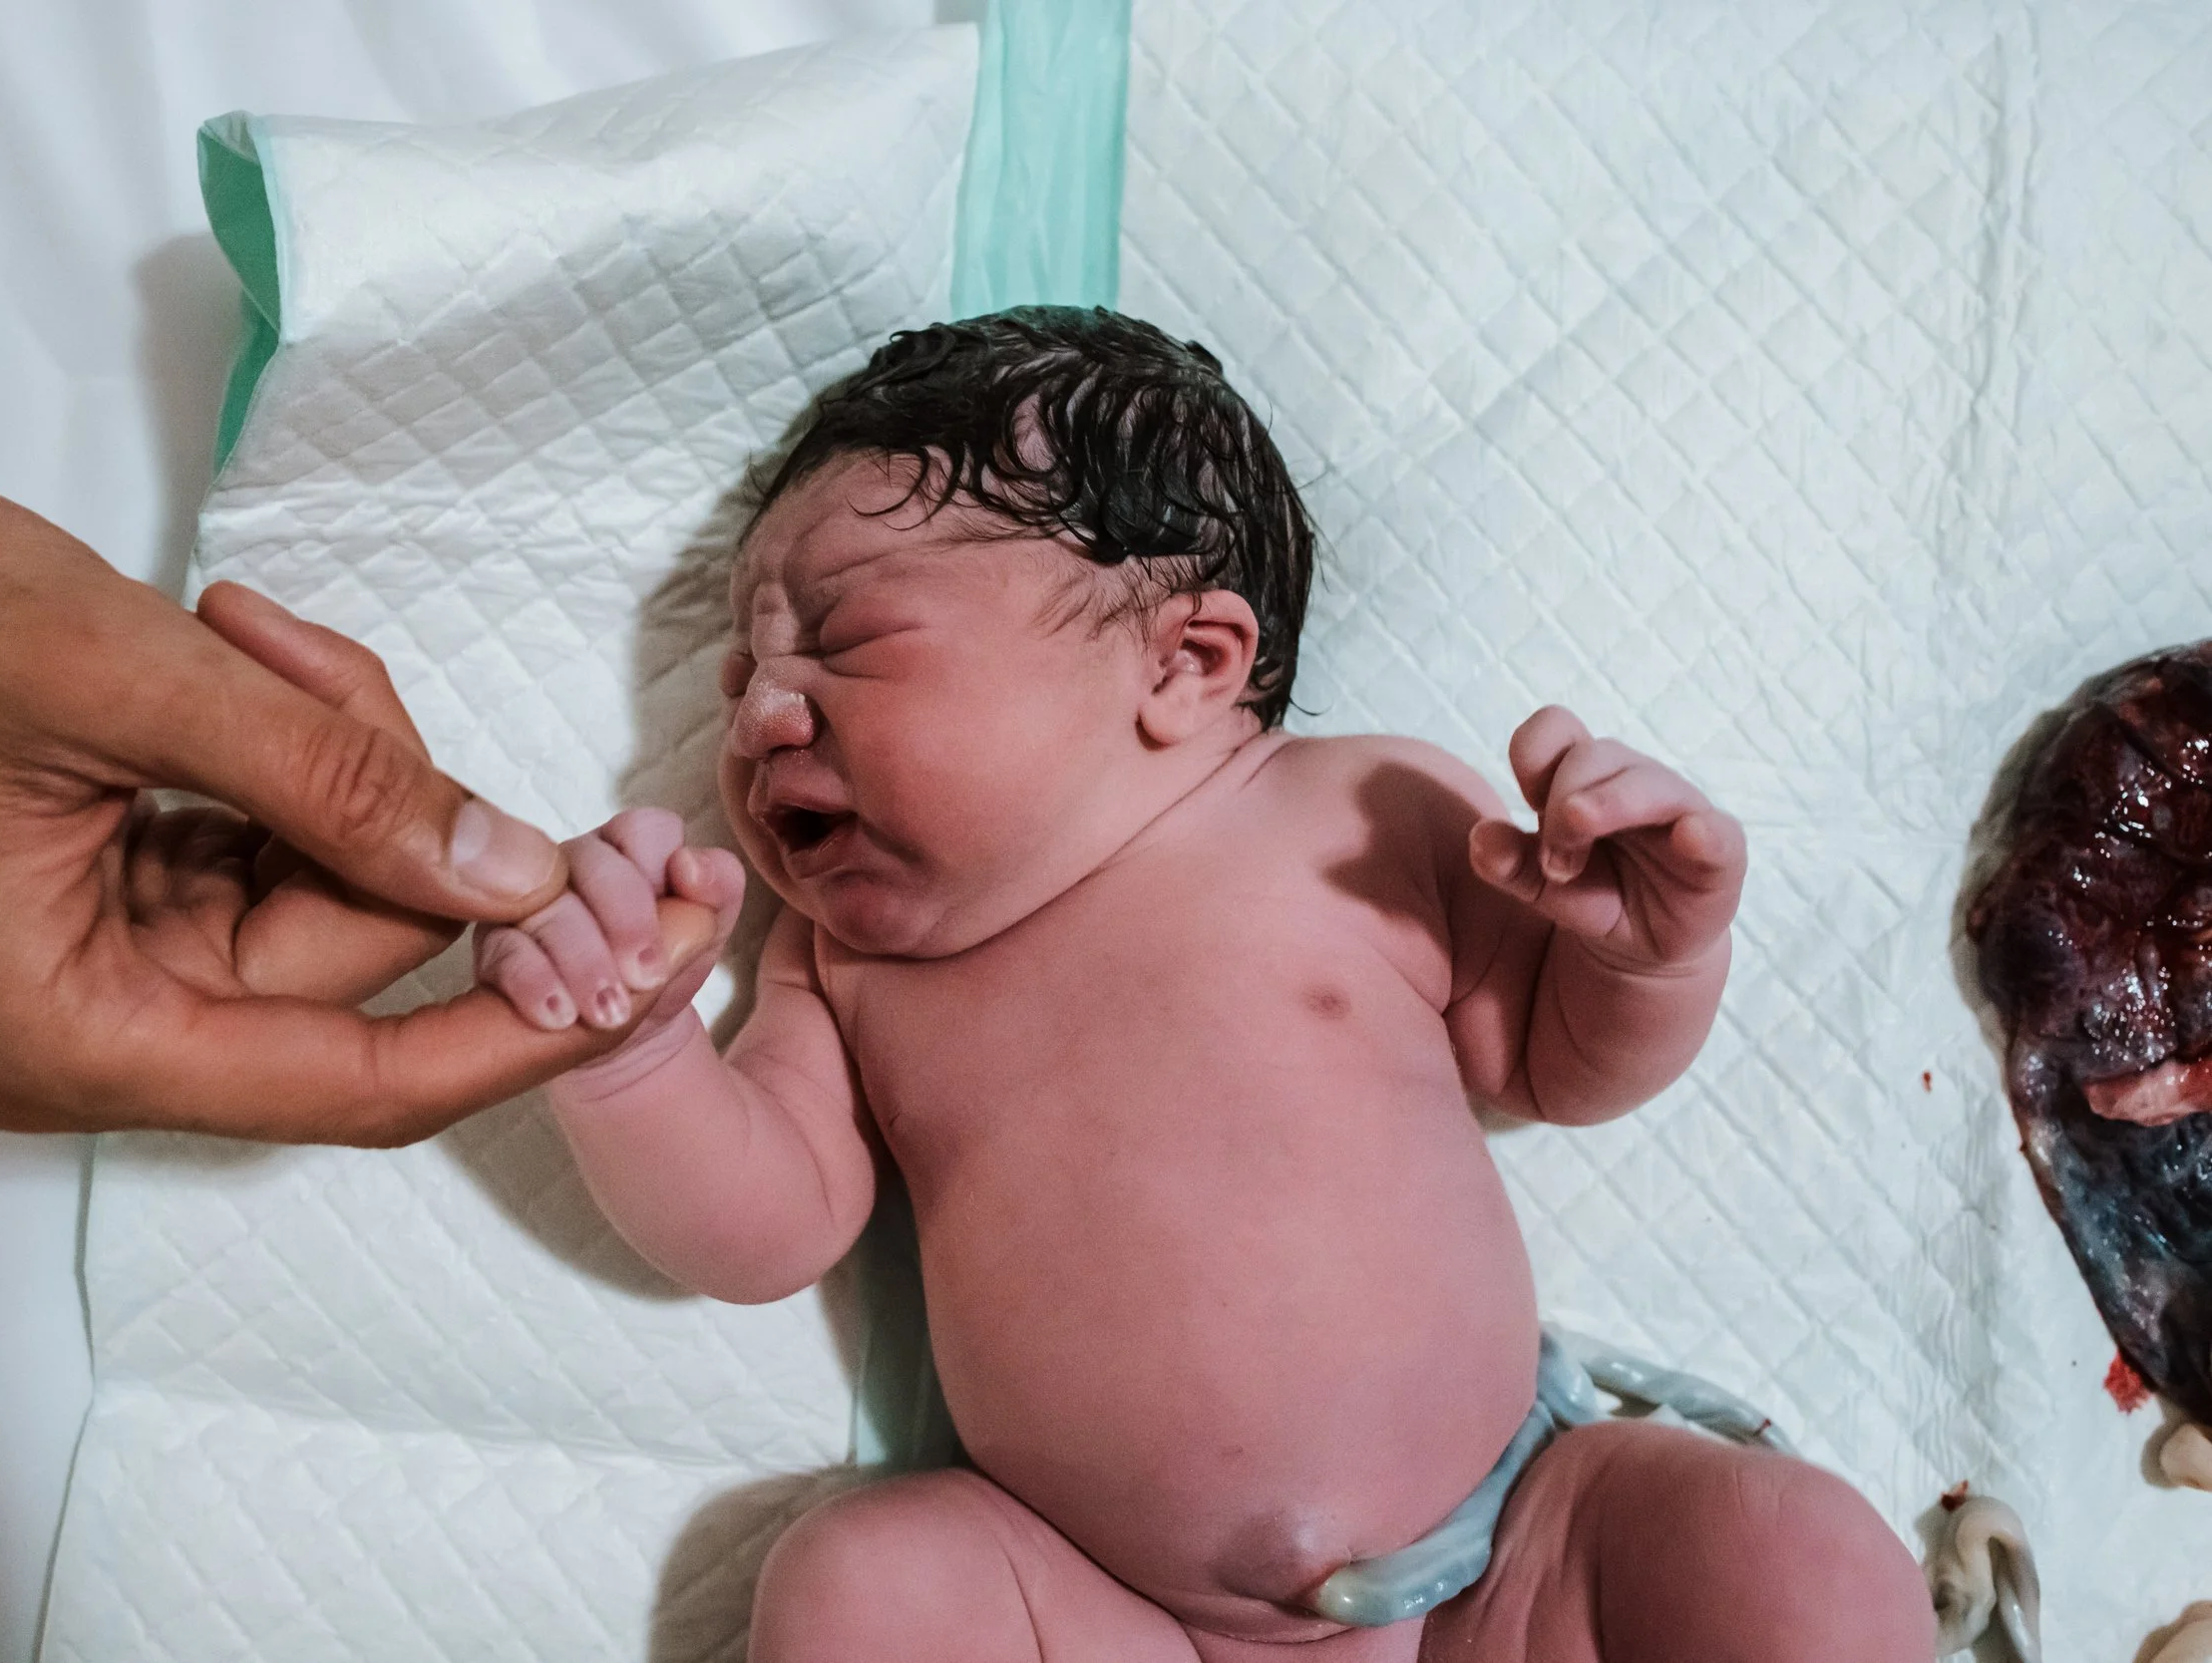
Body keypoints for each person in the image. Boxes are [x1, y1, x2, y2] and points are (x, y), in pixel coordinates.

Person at [475, 309, 1936, 1661]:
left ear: (1188, 664)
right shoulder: (845, 968)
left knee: (1800, 1557)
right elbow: (763, 1225)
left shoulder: (1358, 815)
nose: (761, 717)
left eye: (847, 643)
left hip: (1522, 1560)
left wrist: (1644, 953)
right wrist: (631, 1056)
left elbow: (1556, 1061)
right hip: (1133, 1617)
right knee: (861, 1584)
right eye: (738, 677)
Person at [0, 445, 711, 1145]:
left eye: (820, 628)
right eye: (751, 644)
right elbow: (760, 1230)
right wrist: (640, 1036)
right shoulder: (801, 975)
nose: (761, 697)